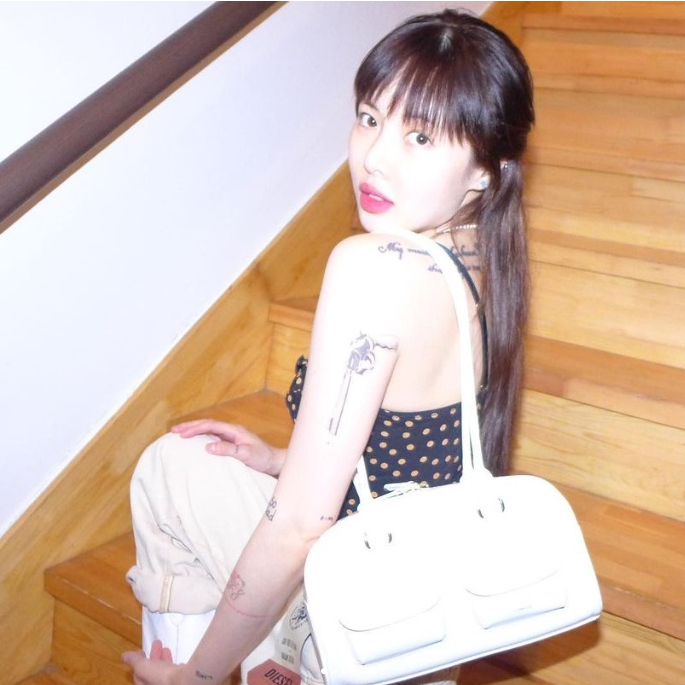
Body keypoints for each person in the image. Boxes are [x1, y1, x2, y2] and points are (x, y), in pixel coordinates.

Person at [123, 9, 534, 685]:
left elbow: (297, 529)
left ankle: (194, 669)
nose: (374, 156)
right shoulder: (486, 261)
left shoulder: (374, 267)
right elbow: (415, 455)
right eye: (369, 118)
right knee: (182, 460)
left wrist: (196, 677)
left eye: (419, 136)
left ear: (486, 169)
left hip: (353, 625)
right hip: (417, 617)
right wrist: (284, 459)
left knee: (165, 472)